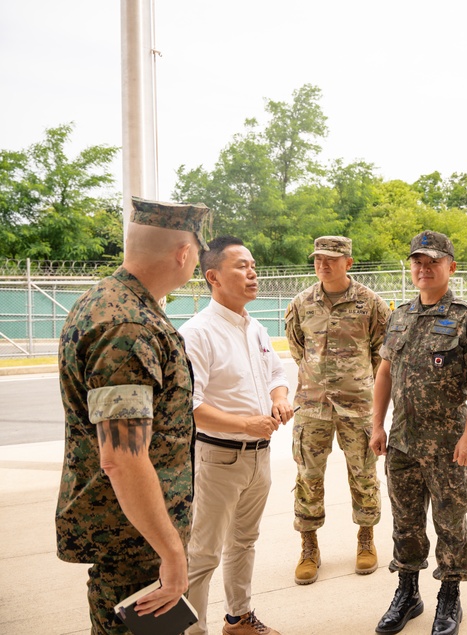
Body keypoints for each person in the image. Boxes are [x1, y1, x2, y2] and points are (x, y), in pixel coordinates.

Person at [55, 198, 210, 635]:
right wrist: (172, 551)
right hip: (135, 541)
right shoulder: (128, 326)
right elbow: (121, 456)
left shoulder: (109, 302)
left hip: (132, 531)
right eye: (196, 253)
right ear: (184, 253)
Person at [369, 230, 467, 635]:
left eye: (433, 262)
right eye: (418, 262)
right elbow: (384, 373)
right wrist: (376, 425)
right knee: (405, 522)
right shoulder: (399, 316)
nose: (424, 269)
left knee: (450, 523)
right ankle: (408, 592)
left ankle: (450, 595)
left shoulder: (466, 319)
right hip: (402, 443)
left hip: (447, 447)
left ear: (450, 267)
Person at [179, 236, 292, 635]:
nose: (253, 272)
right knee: (202, 554)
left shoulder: (255, 327)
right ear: (212, 276)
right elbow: (189, 407)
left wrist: (278, 399)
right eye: (241, 266)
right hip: (218, 458)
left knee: (244, 542)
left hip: (259, 456)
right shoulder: (197, 333)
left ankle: (238, 618)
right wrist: (246, 423)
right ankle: (193, 631)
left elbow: (277, 373)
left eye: (253, 264)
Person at [284, 235, 390, 583]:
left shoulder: (371, 304)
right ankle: (309, 547)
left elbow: (382, 354)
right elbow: (298, 350)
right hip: (312, 407)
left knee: (363, 475)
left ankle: (365, 538)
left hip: (358, 407)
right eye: (318, 259)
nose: (323, 265)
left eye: (331, 259)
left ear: (349, 262)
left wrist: (357, 384)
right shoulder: (301, 303)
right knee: (308, 479)